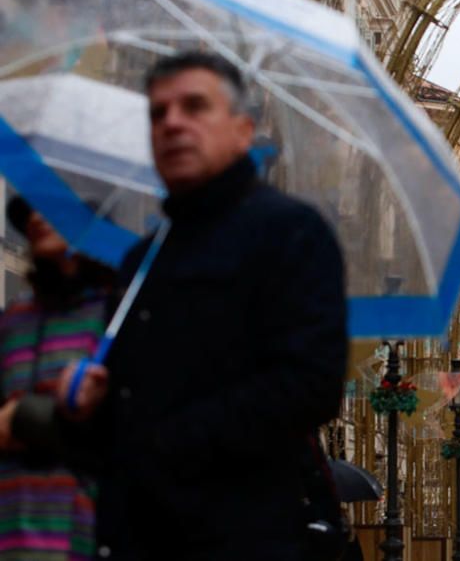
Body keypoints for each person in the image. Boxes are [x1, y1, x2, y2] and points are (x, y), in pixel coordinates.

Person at [60, 51, 348, 560]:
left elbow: (311, 384)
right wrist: (88, 406)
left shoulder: (289, 233)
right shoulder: (142, 258)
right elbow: (121, 425)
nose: (172, 123)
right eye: (157, 113)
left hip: (240, 538)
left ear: (242, 130)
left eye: (194, 107)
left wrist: (166, 439)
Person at [0, 196, 115, 559]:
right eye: (29, 209)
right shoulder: (12, 321)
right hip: (9, 523)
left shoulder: (114, 316)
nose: (37, 215)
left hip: (81, 527)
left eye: (51, 202)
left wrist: (23, 419)